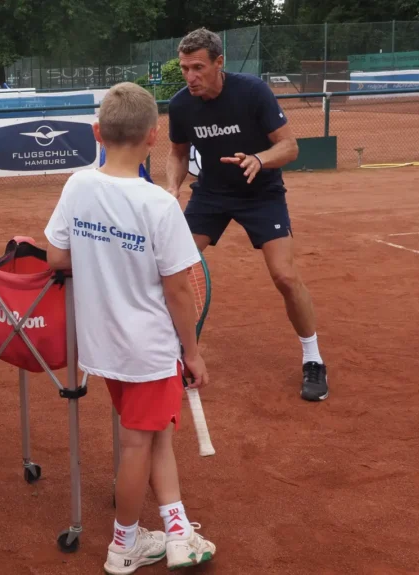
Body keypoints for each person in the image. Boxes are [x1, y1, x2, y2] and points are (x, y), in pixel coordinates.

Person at [44, 82, 217, 574]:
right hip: (149, 349)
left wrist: (101, 254)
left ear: (97, 132)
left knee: (153, 433)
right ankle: (124, 545)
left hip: (105, 347)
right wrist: (192, 353)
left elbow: (57, 255)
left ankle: (177, 530)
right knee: (138, 442)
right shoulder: (159, 204)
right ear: (154, 136)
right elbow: (178, 289)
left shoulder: (78, 185)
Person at [164, 27, 329, 402]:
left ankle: (313, 359)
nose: (190, 77)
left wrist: (259, 159)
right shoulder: (181, 105)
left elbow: (289, 147)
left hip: (261, 193)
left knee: (285, 276)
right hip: (210, 194)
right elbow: (177, 152)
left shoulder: (252, 91)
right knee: (172, 268)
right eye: (185, 68)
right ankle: (172, 354)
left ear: (219, 63)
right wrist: (172, 187)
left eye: (198, 68)